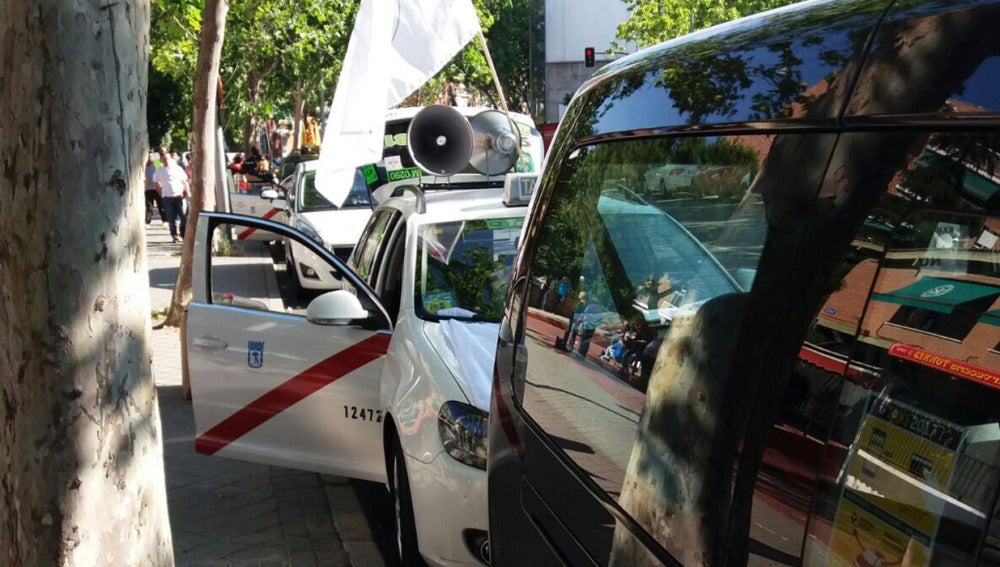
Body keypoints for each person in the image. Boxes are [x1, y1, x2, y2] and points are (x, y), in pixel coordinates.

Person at [153, 146, 189, 243]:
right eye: (161, 153)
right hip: (167, 197)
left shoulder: (177, 168)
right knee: (171, 219)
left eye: (164, 152)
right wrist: (160, 192)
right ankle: (174, 236)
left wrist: (186, 193)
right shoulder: (158, 164)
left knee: (184, 217)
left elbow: (185, 181)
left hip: (179, 196)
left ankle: (183, 234)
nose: (165, 160)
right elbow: (155, 180)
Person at [144, 152, 164, 224]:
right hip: (148, 188)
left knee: (161, 206)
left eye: (151, 156)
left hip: (157, 188)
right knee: (149, 207)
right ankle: (147, 221)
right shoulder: (144, 164)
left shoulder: (157, 163)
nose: (150, 158)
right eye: (148, 156)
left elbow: (162, 172)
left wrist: (161, 184)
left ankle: (165, 221)